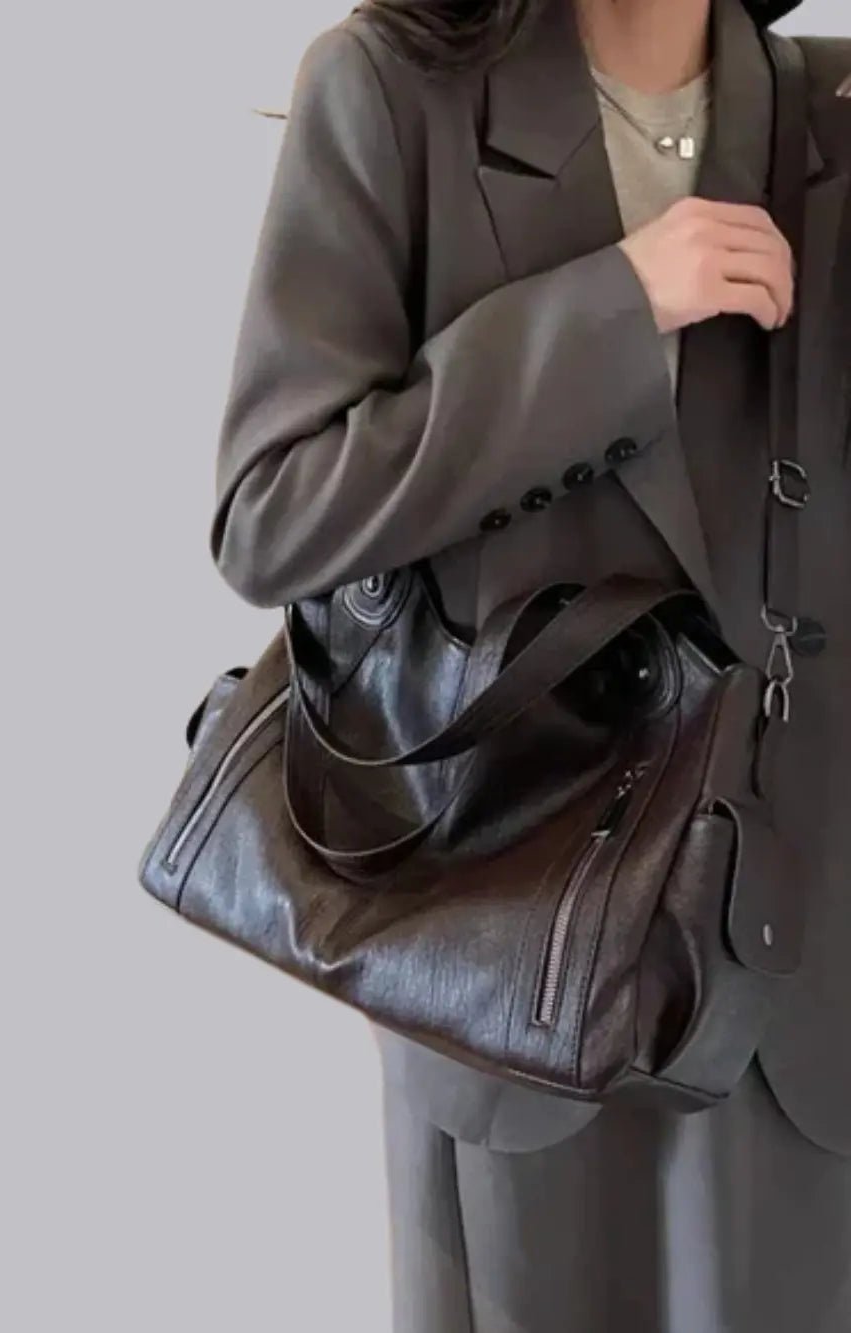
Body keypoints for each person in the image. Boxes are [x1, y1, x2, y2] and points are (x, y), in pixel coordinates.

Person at [209, 0, 851, 1327]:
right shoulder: (391, 92)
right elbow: (275, 510)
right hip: (514, 933)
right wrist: (614, 309)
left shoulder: (830, 110)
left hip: (795, 948)